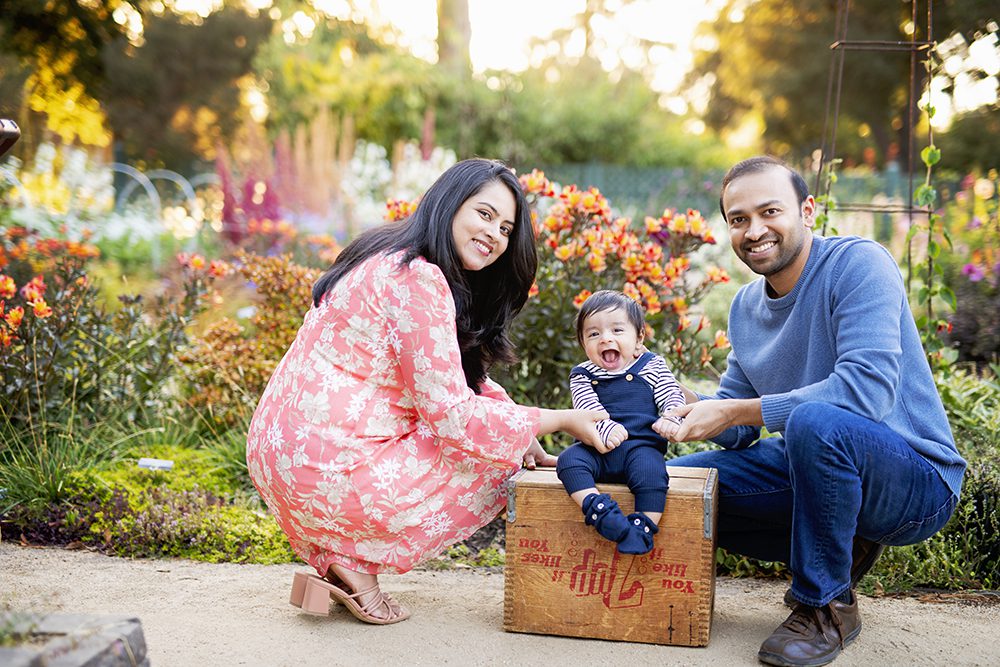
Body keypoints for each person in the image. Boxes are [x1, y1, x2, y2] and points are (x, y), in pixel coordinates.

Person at [246, 158, 608, 625]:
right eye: (483, 213)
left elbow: (450, 378)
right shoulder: (420, 278)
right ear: (450, 203)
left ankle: (333, 559)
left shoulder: (385, 253)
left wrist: (521, 427)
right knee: (489, 457)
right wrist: (560, 419)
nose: (495, 234)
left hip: (281, 455)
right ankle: (353, 567)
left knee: (494, 436)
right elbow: (453, 415)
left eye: (505, 227)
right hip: (327, 470)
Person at [666, 156, 966, 666]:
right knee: (669, 484)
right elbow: (736, 423)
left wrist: (736, 412)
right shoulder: (745, 306)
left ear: (807, 210)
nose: (754, 231)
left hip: (917, 478)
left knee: (815, 422)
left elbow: (864, 392)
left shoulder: (858, 264)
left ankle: (826, 605)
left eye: (769, 211)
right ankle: (836, 542)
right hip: (817, 467)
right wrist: (689, 405)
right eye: (739, 220)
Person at [556, 290, 686, 555]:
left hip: (640, 447)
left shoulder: (651, 365)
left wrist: (672, 418)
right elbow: (586, 407)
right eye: (593, 334)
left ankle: (643, 528)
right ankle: (599, 510)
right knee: (568, 461)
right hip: (596, 448)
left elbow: (672, 395)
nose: (605, 338)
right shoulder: (582, 375)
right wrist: (606, 427)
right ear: (583, 344)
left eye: (617, 330)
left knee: (653, 474)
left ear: (638, 339)